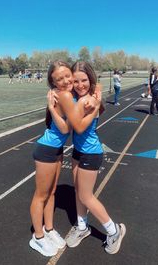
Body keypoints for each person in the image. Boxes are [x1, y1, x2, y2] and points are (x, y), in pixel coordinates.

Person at [50, 61, 126, 255]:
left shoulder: (89, 99)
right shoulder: (80, 96)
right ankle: (82, 227)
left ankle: (114, 231)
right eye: (76, 81)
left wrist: (93, 104)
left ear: (90, 79)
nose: (79, 84)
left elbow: (78, 127)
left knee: (86, 195)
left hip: (91, 153)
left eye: (84, 80)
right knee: (78, 192)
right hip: (78, 151)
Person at [29, 61, 101, 257]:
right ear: (52, 81)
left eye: (67, 75)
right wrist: (52, 110)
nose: (65, 80)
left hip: (56, 149)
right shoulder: (66, 95)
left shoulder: (65, 94)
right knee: (41, 195)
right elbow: (66, 128)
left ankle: (49, 229)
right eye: (59, 78)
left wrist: (96, 93)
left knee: (51, 192)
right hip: (46, 150)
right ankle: (38, 237)